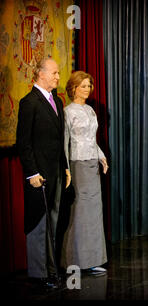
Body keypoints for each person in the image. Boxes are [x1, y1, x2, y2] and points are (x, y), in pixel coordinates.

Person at [16, 58, 71, 288]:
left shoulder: (57, 101)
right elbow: (23, 142)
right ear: (41, 74)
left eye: (58, 73)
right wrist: (31, 173)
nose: (59, 77)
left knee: (54, 222)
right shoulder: (29, 102)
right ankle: (39, 275)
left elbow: (60, 140)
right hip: (39, 175)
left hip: (57, 171)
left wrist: (66, 166)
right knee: (39, 224)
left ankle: (51, 270)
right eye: (55, 73)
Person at [61, 71, 108, 275]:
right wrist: (66, 169)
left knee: (94, 212)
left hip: (92, 164)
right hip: (77, 164)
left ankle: (93, 259)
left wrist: (101, 156)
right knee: (79, 213)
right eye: (83, 86)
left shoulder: (90, 111)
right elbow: (65, 143)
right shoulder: (67, 112)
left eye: (89, 86)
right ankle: (74, 260)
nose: (87, 89)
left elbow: (92, 138)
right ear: (74, 88)